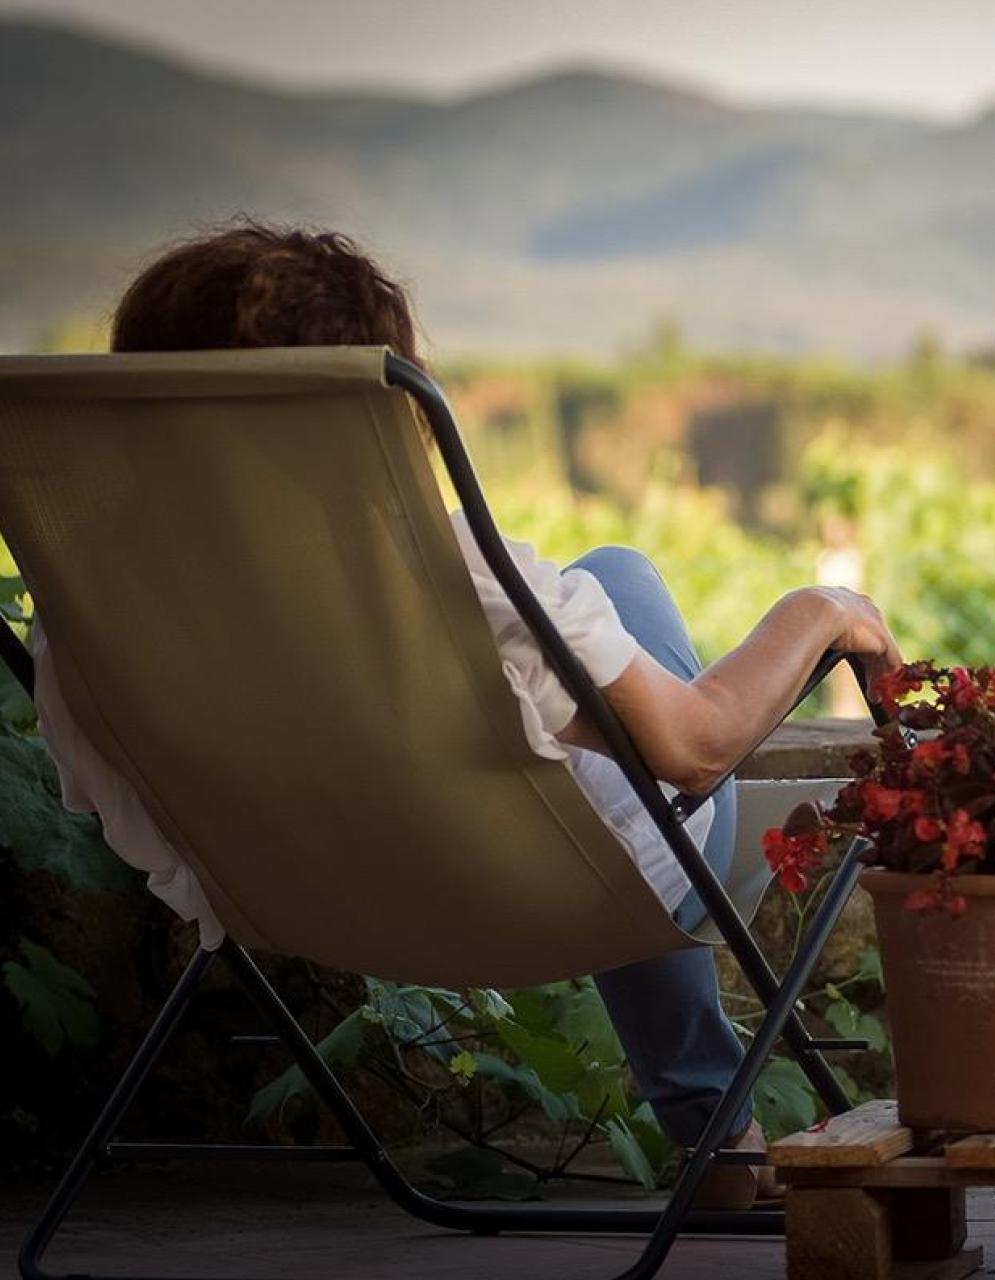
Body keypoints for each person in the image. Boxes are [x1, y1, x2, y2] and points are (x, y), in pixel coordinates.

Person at [31, 222, 904, 1208]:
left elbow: (105, 786)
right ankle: (717, 1133)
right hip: (541, 889)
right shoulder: (456, 581)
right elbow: (698, 751)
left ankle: (721, 1135)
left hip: (293, 901)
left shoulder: (89, 605)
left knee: (606, 755)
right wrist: (822, 608)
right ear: (369, 413)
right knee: (619, 588)